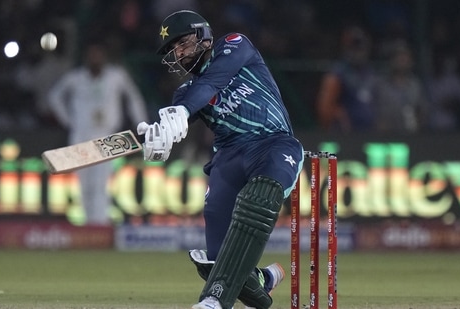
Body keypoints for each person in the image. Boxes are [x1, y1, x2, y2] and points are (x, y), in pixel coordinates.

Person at [136, 10, 304, 309]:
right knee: (216, 260)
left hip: (272, 143)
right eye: (173, 50)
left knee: (259, 197)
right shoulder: (185, 94)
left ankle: (215, 301)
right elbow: (182, 121)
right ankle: (260, 281)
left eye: (182, 43)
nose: (178, 53)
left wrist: (182, 112)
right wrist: (158, 135)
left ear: (203, 37)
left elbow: (211, 84)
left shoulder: (235, 45)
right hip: (228, 159)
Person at [48, 39, 148, 226]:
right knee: (85, 184)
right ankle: (88, 225)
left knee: (101, 182)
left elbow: (133, 98)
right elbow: (54, 97)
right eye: (91, 55)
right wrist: (68, 120)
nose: (95, 58)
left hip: (107, 134)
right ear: (86, 58)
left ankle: (100, 226)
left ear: (104, 56)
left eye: (98, 54)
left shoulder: (116, 76)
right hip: (81, 134)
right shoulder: (76, 78)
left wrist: (142, 124)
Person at [316, 25, 378, 132]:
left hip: (371, 133)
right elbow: (325, 108)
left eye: (361, 47)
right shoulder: (338, 73)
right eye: (354, 47)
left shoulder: (370, 73)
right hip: (345, 135)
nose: (359, 51)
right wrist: (338, 115)